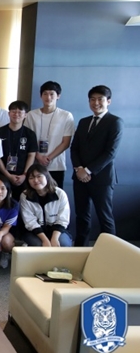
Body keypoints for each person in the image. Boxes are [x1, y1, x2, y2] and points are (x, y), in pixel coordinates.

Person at [70, 85, 123, 246]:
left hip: (102, 179)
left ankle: (109, 252)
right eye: (92, 99)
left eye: (100, 99)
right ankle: (80, 250)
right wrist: (79, 169)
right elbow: (74, 148)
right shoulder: (84, 122)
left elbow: (110, 153)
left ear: (108, 101)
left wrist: (87, 170)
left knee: (104, 217)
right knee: (82, 216)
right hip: (79, 177)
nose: (96, 103)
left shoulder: (115, 122)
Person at [25, 81, 75, 188]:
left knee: (55, 193)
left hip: (56, 165)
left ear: (58, 96)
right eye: (45, 94)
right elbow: (27, 139)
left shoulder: (66, 116)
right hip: (34, 164)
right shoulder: (31, 115)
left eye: (52, 94)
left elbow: (66, 143)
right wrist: (38, 157)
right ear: (41, 96)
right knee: (34, 194)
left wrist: (48, 158)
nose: (48, 97)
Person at [0, 100, 38, 200]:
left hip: (23, 175)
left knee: (23, 201)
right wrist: (8, 175)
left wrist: (25, 174)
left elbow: (31, 155)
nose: (16, 114)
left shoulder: (30, 134)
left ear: (25, 115)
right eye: (13, 111)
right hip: (2, 175)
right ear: (9, 113)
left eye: (20, 112)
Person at [19, 164, 72, 247]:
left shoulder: (60, 194)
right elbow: (30, 221)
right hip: (35, 232)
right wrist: (45, 240)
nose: (36, 180)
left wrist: (54, 238)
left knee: (63, 243)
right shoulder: (25, 195)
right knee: (39, 245)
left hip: (57, 231)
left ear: (47, 176)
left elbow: (63, 219)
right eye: (31, 178)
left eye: (39, 176)